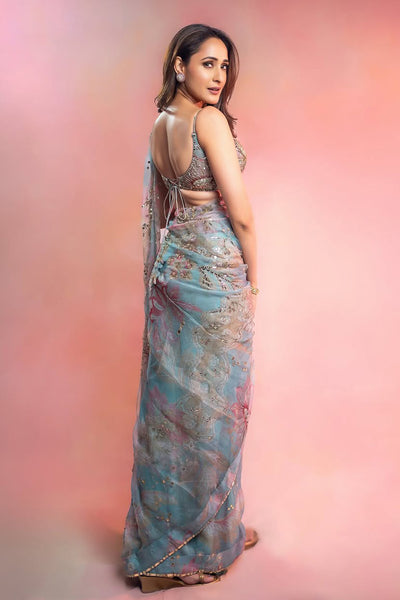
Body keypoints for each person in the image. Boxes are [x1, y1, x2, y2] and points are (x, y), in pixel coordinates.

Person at [121, 23, 259, 593]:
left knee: (175, 412)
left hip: (173, 270)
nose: (219, 76)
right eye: (207, 63)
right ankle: (203, 542)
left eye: (224, 66)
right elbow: (240, 212)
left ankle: (176, 542)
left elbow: (162, 209)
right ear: (179, 65)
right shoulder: (208, 122)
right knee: (217, 411)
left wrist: (160, 274)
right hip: (215, 272)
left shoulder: (161, 124)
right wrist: (255, 279)